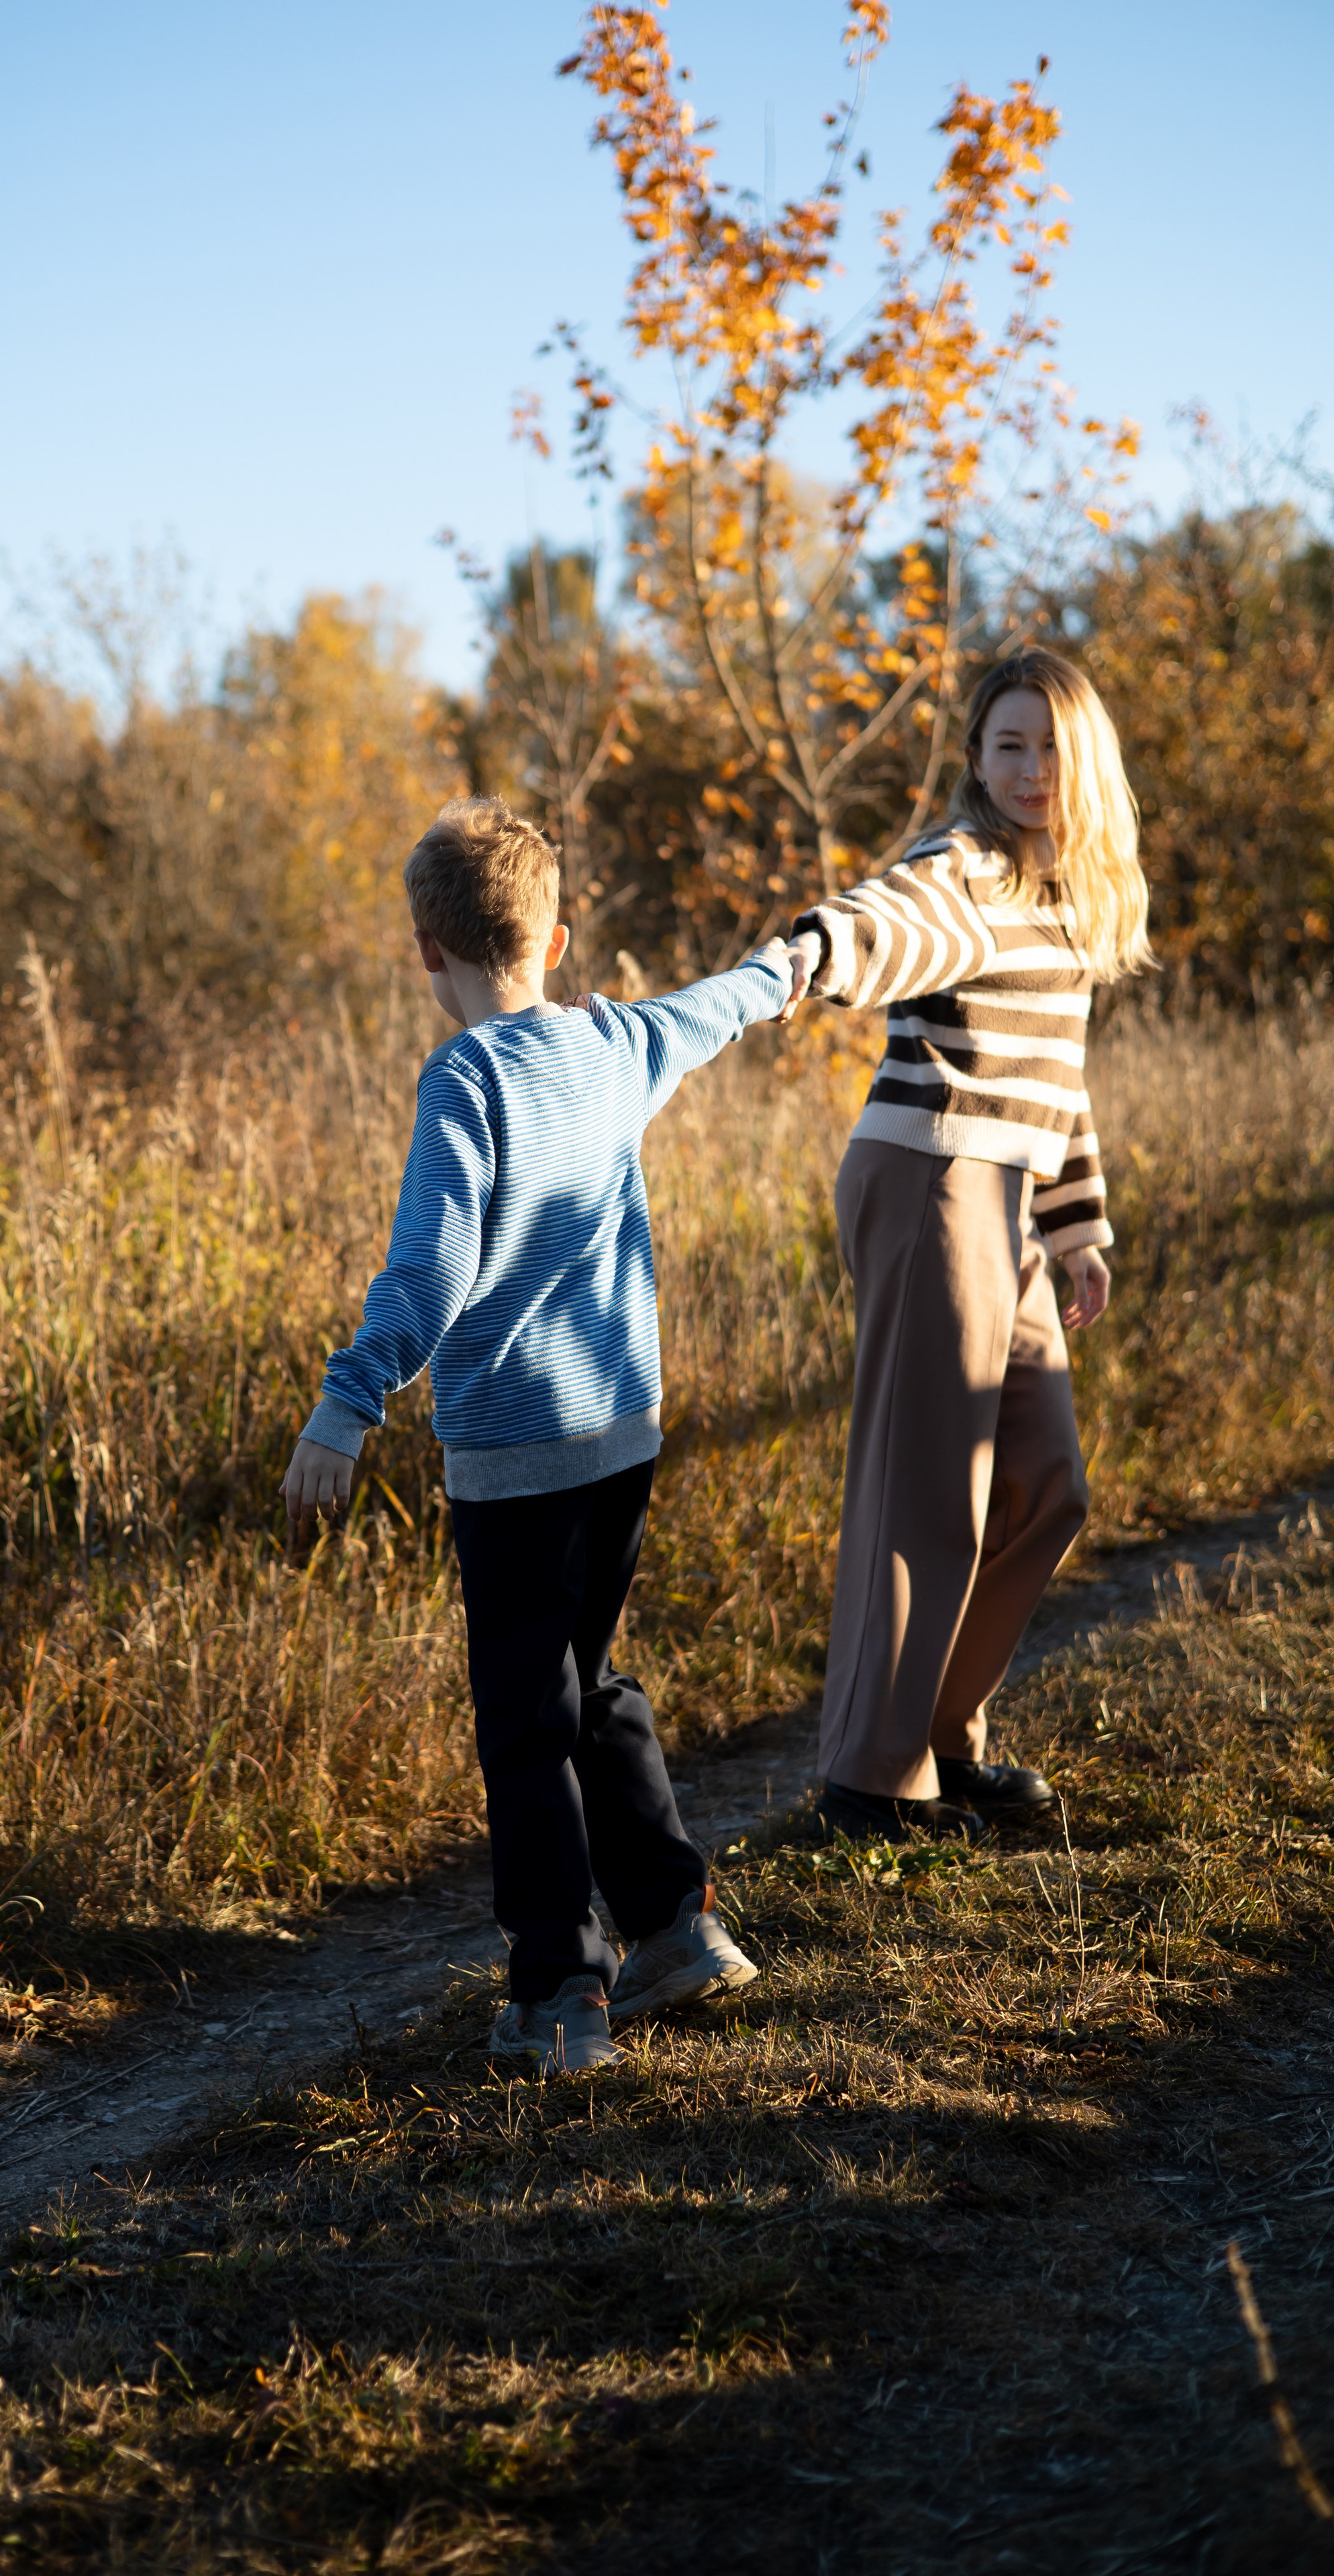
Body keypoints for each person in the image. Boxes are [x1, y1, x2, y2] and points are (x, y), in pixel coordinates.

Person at [283, 797, 792, 2074]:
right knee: (591, 1675)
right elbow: (721, 1004)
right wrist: (794, 966)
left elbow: (433, 1263)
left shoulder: (464, 1076)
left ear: (425, 950)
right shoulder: (618, 1042)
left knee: (525, 1713)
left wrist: (348, 1403)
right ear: (558, 940)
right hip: (625, 1432)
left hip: (515, 1456)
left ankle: (562, 1989)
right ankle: (678, 1923)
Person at [781, 648, 1153, 1841]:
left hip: (1006, 1195)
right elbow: (899, 917)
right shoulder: (970, 871)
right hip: (931, 1175)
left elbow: (1059, 1084)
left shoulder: (1065, 899)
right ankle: (871, 1781)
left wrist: (1077, 1223)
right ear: (978, 760)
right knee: (930, 1487)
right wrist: (816, 952)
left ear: (1084, 756)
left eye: (1051, 745)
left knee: (1047, 1487)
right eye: (1008, 745)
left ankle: (936, 1736)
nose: (1032, 769)